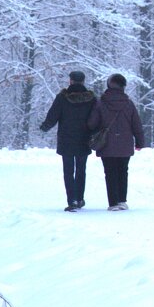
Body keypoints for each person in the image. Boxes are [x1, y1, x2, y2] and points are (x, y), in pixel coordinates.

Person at [87, 73, 145, 211]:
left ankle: (113, 203)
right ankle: (122, 200)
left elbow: (91, 123)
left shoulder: (100, 103)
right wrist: (140, 142)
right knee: (123, 171)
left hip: (107, 144)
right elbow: (136, 124)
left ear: (108, 85)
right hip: (125, 144)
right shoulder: (129, 104)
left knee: (110, 172)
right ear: (123, 86)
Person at [39, 70, 97, 211]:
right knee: (81, 170)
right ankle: (80, 198)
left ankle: (72, 201)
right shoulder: (91, 98)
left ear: (70, 81)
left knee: (68, 171)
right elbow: (96, 117)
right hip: (85, 138)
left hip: (67, 139)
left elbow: (53, 116)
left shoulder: (62, 97)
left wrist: (44, 127)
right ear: (83, 81)